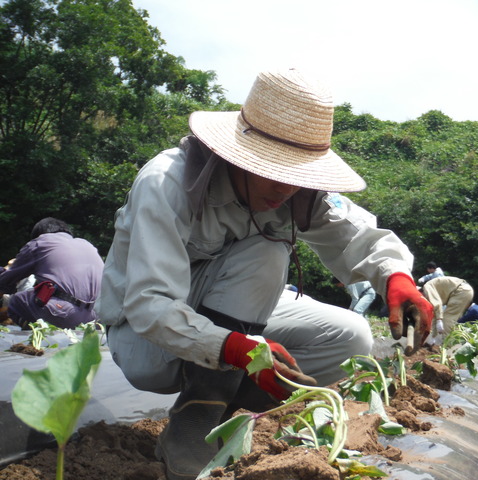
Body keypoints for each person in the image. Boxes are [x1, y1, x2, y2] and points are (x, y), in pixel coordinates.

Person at [96, 68, 434, 480]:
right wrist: (239, 350)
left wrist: (396, 277)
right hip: (145, 338)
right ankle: (195, 418)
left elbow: (358, 234)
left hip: (223, 318)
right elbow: (149, 304)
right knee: (268, 250)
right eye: (273, 170)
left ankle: (229, 414)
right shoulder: (168, 183)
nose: (284, 189)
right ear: (237, 155)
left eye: (296, 176)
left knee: (351, 336)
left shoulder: (297, 193)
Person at [0, 217, 103, 329]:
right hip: (98, 317)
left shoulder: (39, 243)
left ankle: (38, 338)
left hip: (65, 314)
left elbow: (5, 280)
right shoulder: (87, 245)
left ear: (39, 235)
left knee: (16, 301)